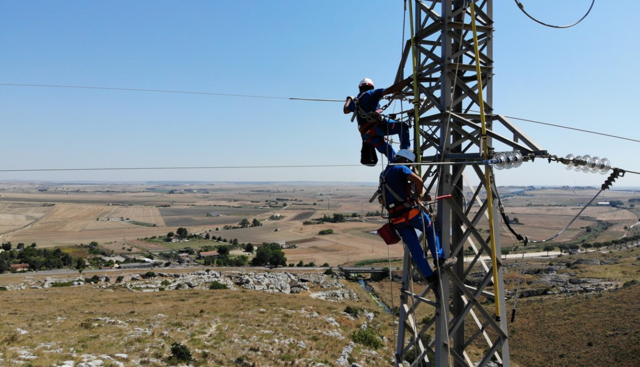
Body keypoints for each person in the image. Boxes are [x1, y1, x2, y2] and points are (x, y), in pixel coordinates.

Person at [378, 149, 457, 283]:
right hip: (411, 213)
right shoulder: (400, 168)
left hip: (397, 219)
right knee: (431, 230)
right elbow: (418, 181)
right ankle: (440, 260)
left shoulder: (384, 174)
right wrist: (419, 195)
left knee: (414, 246)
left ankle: (429, 276)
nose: (410, 168)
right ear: (406, 160)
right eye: (410, 165)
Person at [343, 77, 412, 162]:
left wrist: (349, 99)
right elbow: (392, 89)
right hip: (377, 127)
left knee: (389, 151)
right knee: (402, 127)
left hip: (368, 136)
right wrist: (409, 79)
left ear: (360, 88)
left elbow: (345, 110)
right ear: (372, 87)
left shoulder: (355, 102)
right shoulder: (372, 93)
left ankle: (396, 167)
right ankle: (405, 154)